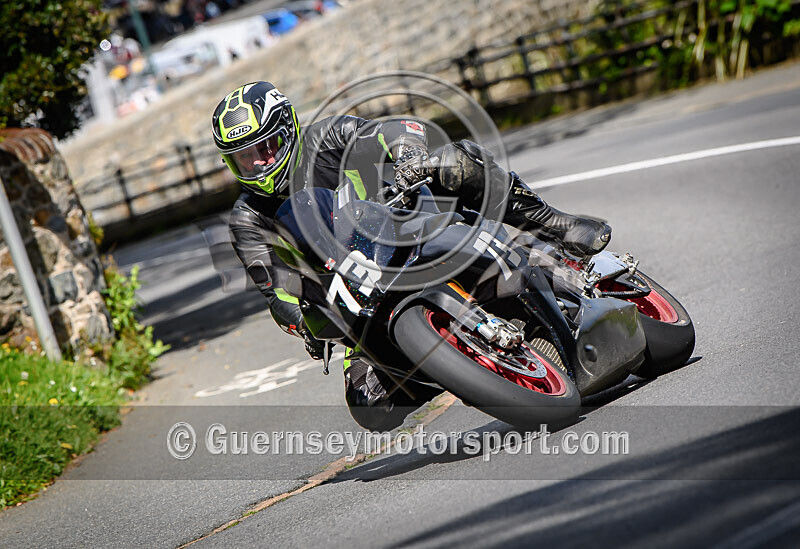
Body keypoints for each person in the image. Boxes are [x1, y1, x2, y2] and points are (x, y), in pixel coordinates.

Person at [211, 81, 611, 430]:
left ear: (288, 130)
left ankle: (554, 226)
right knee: (370, 405)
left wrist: (407, 155)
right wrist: (306, 320)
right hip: (355, 296)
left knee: (455, 163)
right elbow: (274, 290)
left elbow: (394, 130)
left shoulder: (329, 136)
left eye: (265, 147)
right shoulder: (247, 221)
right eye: (244, 158)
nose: (258, 163)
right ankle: (463, 365)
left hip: (410, 225)